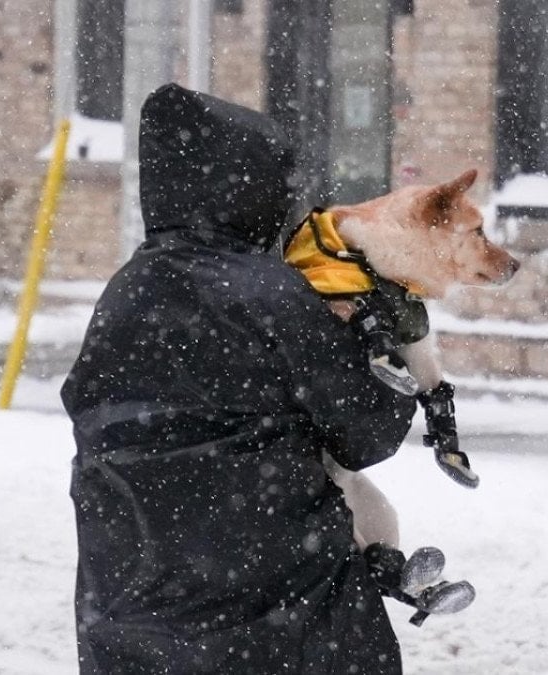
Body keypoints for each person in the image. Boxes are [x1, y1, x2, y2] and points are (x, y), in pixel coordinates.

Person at [61, 83, 415, 673]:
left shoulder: (126, 290)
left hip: (133, 604)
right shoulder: (272, 295)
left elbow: (97, 410)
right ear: (255, 193)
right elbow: (370, 431)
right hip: (274, 609)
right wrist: (377, 336)